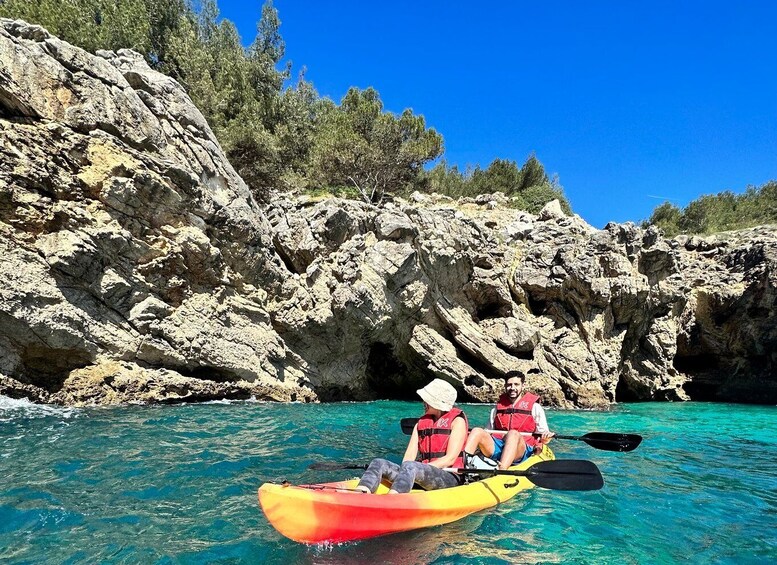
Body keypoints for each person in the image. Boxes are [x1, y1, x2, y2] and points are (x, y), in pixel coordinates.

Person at [356, 378, 468, 494]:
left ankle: (394, 498)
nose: (424, 403)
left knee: (412, 466)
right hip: (419, 473)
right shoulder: (420, 424)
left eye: (427, 400)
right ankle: (361, 492)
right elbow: (408, 458)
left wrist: (420, 468)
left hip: (448, 477)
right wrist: (410, 471)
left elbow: (450, 459)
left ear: (437, 402)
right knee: (378, 462)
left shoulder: (457, 421)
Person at [464, 370, 554, 470]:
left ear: (522, 386)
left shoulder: (535, 407)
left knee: (513, 434)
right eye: (509, 385)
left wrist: (546, 438)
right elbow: (488, 432)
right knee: (477, 431)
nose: (512, 388)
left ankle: (501, 470)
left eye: (516, 384)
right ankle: (463, 465)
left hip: (522, 449)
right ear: (505, 386)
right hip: (499, 446)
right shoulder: (497, 408)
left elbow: (543, 436)